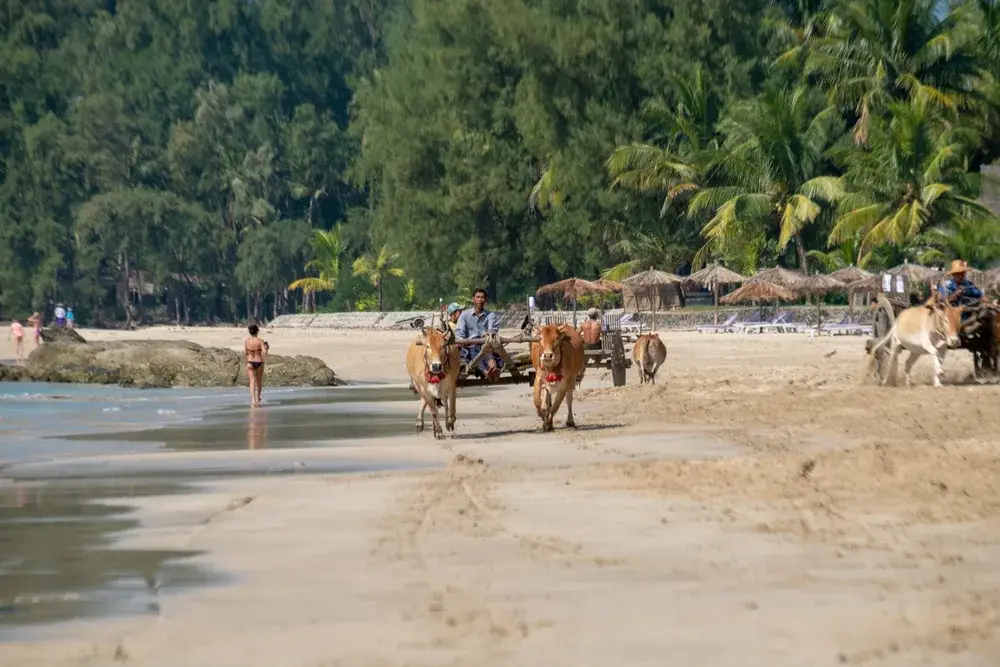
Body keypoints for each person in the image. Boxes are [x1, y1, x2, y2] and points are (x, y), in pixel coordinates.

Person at [455, 287, 502, 382]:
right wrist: (462, 340)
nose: (480, 300)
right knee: (474, 352)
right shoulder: (465, 315)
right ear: (473, 299)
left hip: (487, 344)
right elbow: (460, 333)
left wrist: (489, 333)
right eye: (478, 297)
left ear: (486, 300)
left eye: (483, 297)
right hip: (470, 345)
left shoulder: (490, 315)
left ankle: (492, 367)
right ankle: (486, 371)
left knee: (487, 348)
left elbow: (492, 330)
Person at [244, 323, 269, 406]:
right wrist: (266, 348)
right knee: (259, 381)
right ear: (257, 331)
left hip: (250, 362)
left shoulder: (247, 341)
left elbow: (246, 353)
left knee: (252, 381)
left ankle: (253, 400)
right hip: (259, 362)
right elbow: (265, 353)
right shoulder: (260, 341)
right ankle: (258, 397)